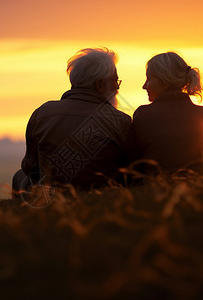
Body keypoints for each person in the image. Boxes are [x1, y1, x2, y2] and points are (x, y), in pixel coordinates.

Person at [12, 47, 132, 196]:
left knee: (20, 176)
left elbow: (29, 166)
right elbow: (131, 168)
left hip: (52, 198)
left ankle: (25, 216)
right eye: (115, 82)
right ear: (99, 85)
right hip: (101, 196)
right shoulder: (120, 120)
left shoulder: (42, 113)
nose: (117, 88)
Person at [131, 51, 203, 177]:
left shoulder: (142, 114)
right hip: (198, 187)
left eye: (149, 79)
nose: (144, 86)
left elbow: (134, 164)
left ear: (164, 82)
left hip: (156, 188)